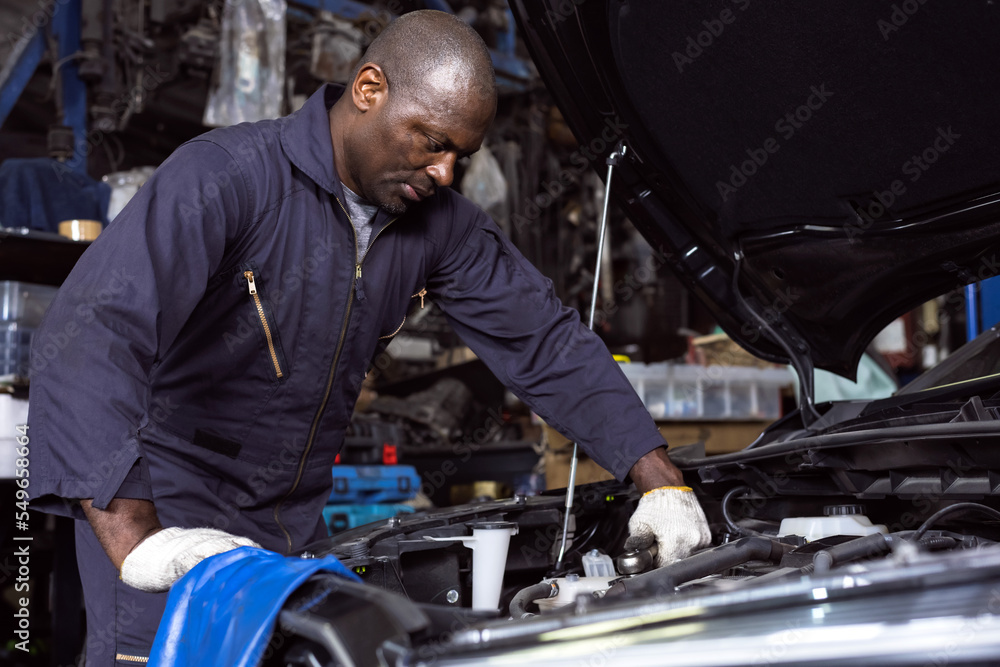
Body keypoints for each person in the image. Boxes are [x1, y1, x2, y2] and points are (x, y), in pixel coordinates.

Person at [27, 10, 709, 664]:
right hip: (172, 516)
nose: (445, 172)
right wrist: (135, 535)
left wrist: (659, 479)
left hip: (293, 527)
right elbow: (93, 335)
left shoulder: (441, 225)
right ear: (369, 89)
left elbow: (546, 341)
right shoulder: (227, 178)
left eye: (459, 155)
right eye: (432, 141)